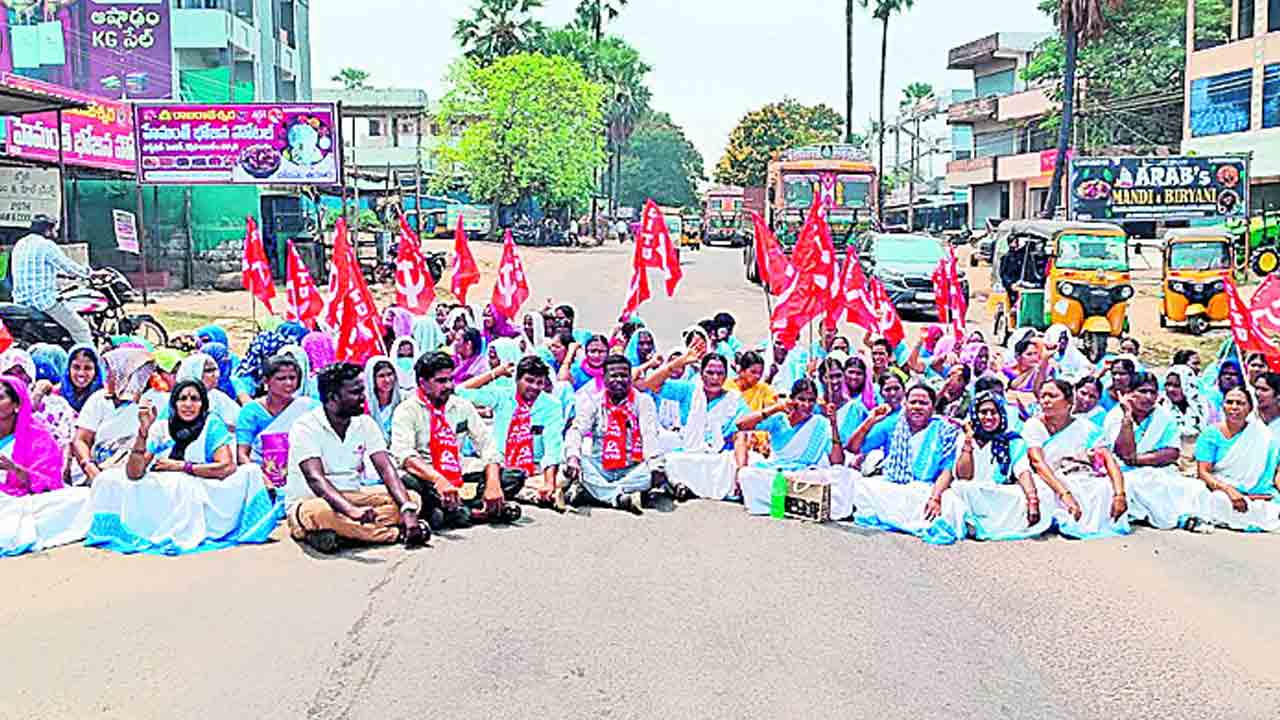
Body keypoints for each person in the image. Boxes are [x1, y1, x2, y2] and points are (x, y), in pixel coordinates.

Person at [85, 379, 275, 554]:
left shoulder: (211, 424)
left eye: (195, 399)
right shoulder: (161, 427)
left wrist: (182, 467)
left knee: (248, 472)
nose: (188, 404)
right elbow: (134, 473)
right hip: (167, 488)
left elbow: (226, 467)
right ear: (174, 403)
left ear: (203, 404)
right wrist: (143, 434)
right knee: (107, 479)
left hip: (201, 486)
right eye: (182, 399)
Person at [284, 363, 428, 554]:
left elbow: (386, 469)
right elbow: (315, 479)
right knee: (321, 513)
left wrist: (408, 510)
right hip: (312, 500)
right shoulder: (306, 427)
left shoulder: (365, 423)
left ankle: (344, 534)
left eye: (363, 391)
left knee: (413, 499)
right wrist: (351, 511)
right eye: (356, 393)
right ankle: (393, 534)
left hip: (354, 496)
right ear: (332, 397)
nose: (363, 398)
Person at [391, 352, 520, 529]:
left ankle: (463, 511)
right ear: (423, 383)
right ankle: (477, 511)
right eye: (441, 381)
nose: (449, 386)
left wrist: (493, 483)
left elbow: (487, 445)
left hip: (457, 476)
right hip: (428, 478)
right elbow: (405, 456)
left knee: (513, 477)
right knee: (408, 483)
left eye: (450, 379)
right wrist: (439, 480)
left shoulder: (461, 406)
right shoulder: (406, 410)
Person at [851, 385, 967, 544]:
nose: (917, 407)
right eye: (913, 402)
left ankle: (903, 519)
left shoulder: (945, 430)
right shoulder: (893, 424)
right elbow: (854, 447)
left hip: (925, 489)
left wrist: (935, 498)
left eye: (923, 403)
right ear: (905, 404)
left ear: (932, 407)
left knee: (951, 502)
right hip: (894, 485)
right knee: (861, 484)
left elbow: (946, 470)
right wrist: (870, 421)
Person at [1024, 380, 1130, 539]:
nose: (1045, 400)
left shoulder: (1086, 428)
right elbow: (1038, 463)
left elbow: (1108, 458)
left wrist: (1119, 494)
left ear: (1069, 402)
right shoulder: (1034, 425)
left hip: (1079, 474)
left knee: (1104, 487)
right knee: (1044, 490)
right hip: (1049, 478)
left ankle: (1089, 524)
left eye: (1052, 396)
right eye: (1043, 396)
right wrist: (1064, 494)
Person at [1103, 371, 1207, 530]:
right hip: (1124, 472)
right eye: (1143, 391)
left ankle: (1171, 515)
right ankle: (1178, 519)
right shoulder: (1116, 415)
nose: (1148, 397)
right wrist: (1127, 420)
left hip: (1160, 470)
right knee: (1143, 484)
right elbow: (1123, 453)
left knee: (1196, 488)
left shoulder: (1163, 416)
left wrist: (1138, 459)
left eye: (1152, 392)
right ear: (1129, 393)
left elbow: (1173, 452)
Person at [459, 356, 566, 510]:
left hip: (536, 467)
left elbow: (552, 445)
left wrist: (549, 482)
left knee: (565, 472)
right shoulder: (503, 396)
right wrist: (496, 373)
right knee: (472, 467)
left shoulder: (552, 405)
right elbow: (460, 392)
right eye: (529, 381)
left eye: (539, 383)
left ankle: (536, 491)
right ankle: (536, 495)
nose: (535, 387)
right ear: (517, 380)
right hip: (500, 464)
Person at [734, 379, 851, 518]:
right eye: (801, 399)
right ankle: (793, 501)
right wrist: (775, 408)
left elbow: (837, 462)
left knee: (842, 474)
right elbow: (741, 425)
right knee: (747, 474)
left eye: (811, 400)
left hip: (804, 474)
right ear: (792, 399)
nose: (806, 405)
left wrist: (833, 425)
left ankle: (783, 500)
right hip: (776, 472)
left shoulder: (820, 423)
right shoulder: (779, 419)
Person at [0, 376, 90, 556]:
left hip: (25, 498)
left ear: (17, 405)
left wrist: (13, 468)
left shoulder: (37, 435)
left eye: (0, 397)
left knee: (82, 497)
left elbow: (50, 483)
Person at [562, 354, 661, 514]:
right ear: (605, 378)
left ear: (630, 377)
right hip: (600, 466)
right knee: (572, 461)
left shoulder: (643, 401)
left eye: (624, 375)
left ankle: (595, 493)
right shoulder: (593, 401)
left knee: (656, 469)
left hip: (632, 466)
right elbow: (577, 430)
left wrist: (655, 465)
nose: (619, 380)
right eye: (614, 375)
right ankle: (618, 497)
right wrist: (573, 457)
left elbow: (649, 434)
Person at [949, 392, 1053, 541]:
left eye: (994, 412)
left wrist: (1032, 500)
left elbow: (1023, 472)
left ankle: (979, 524)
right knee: (960, 488)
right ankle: (975, 522)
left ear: (1002, 415)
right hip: (973, 492)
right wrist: (968, 442)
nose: (989, 417)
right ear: (975, 415)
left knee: (1030, 494)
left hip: (998, 493)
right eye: (983, 412)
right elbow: (964, 476)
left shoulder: (1012, 441)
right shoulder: (964, 438)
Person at [647, 352, 747, 502]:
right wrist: (678, 363)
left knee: (737, 465)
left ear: (726, 376)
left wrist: (741, 469)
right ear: (701, 374)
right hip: (689, 451)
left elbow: (740, 436)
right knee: (671, 460)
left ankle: (681, 486)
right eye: (710, 372)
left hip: (718, 455)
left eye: (720, 374)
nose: (715, 378)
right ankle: (680, 486)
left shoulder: (734, 400)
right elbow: (651, 384)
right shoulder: (689, 391)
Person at [1194, 385, 1280, 532]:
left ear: (1250, 408)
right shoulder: (1210, 434)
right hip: (1222, 489)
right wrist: (1229, 491)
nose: (1234, 407)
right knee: (1216, 500)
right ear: (1223, 406)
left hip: (1259, 494)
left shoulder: (1263, 435)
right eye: (1229, 402)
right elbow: (1203, 472)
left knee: (1267, 507)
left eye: (1240, 403)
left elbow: (1276, 470)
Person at [71, 348, 156, 483]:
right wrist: (89, 467)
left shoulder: (148, 404)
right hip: (95, 472)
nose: (108, 377)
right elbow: (81, 440)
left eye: (113, 372)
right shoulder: (99, 399)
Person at [11, 215, 97, 344]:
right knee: (81, 329)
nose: (55, 233)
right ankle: (91, 359)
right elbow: (68, 266)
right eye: (54, 230)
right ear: (47, 231)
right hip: (42, 301)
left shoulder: (21, 244)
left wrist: (61, 275)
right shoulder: (46, 245)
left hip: (21, 300)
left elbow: (39, 269)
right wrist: (91, 274)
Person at [235, 354, 318, 488]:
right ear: (266, 381)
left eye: (292, 378)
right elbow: (242, 454)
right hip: (260, 478)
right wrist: (262, 479)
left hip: (302, 475)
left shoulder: (308, 407)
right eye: (281, 379)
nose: (289, 383)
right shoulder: (251, 411)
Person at [176, 352, 240, 437]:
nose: (216, 375)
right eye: (209, 371)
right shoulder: (179, 399)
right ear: (195, 372)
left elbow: (240, 421)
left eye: (215, 369)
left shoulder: (217, 396)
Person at [1163, 364, 1203, 472]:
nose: (1170, 389)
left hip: (1200, 462)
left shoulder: (1202, 408)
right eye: (1168, 384)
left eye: (1177, 385)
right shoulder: (1161, 409)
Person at [363, 355, 401, 444]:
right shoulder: (363, 404)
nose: (387, 380)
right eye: (381, 376)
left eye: (389, 374)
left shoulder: (404, 400)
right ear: (372, 379)